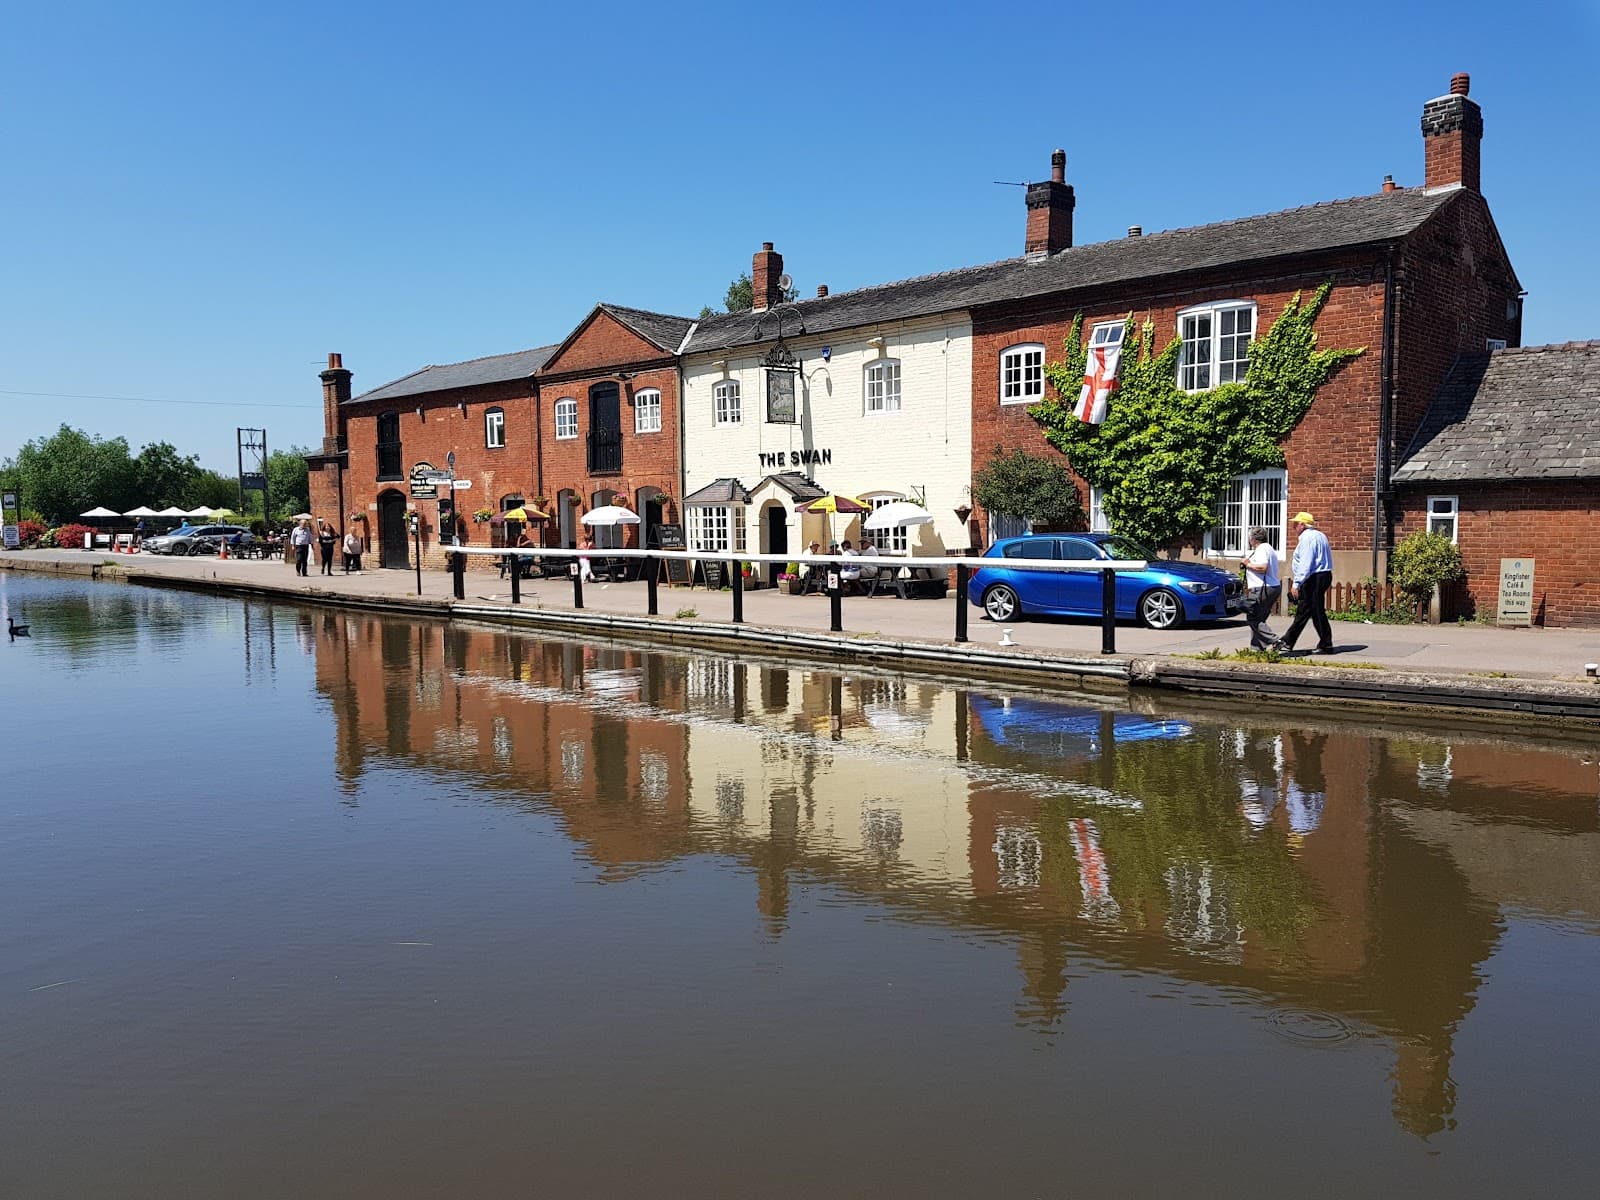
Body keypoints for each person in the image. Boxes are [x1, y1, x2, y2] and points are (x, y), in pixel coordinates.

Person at [1274, 511, 1334, 654]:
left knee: (1312, 610)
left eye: (1295, 523)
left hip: (1314, 577)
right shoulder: (1320, 535)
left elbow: (1306, 563)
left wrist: (1297, 583)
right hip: (1324, 575)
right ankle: (1291, 641)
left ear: (1302, 524)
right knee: (1309, 610)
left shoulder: (1307, 539)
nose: (1293, 526)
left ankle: (1289, 641)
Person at [1242, 527, 1282, 650]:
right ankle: (1257, 649)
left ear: (1253, 539)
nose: (1249, 540)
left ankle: (1275, 640)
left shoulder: (1261, 549)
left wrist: (1247, 564)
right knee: (1259, 618)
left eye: (1250, 538)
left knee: (1252, 618)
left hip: (1262, 588)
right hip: (1272, 587)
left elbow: (1263, 567)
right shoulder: (1269, 548)